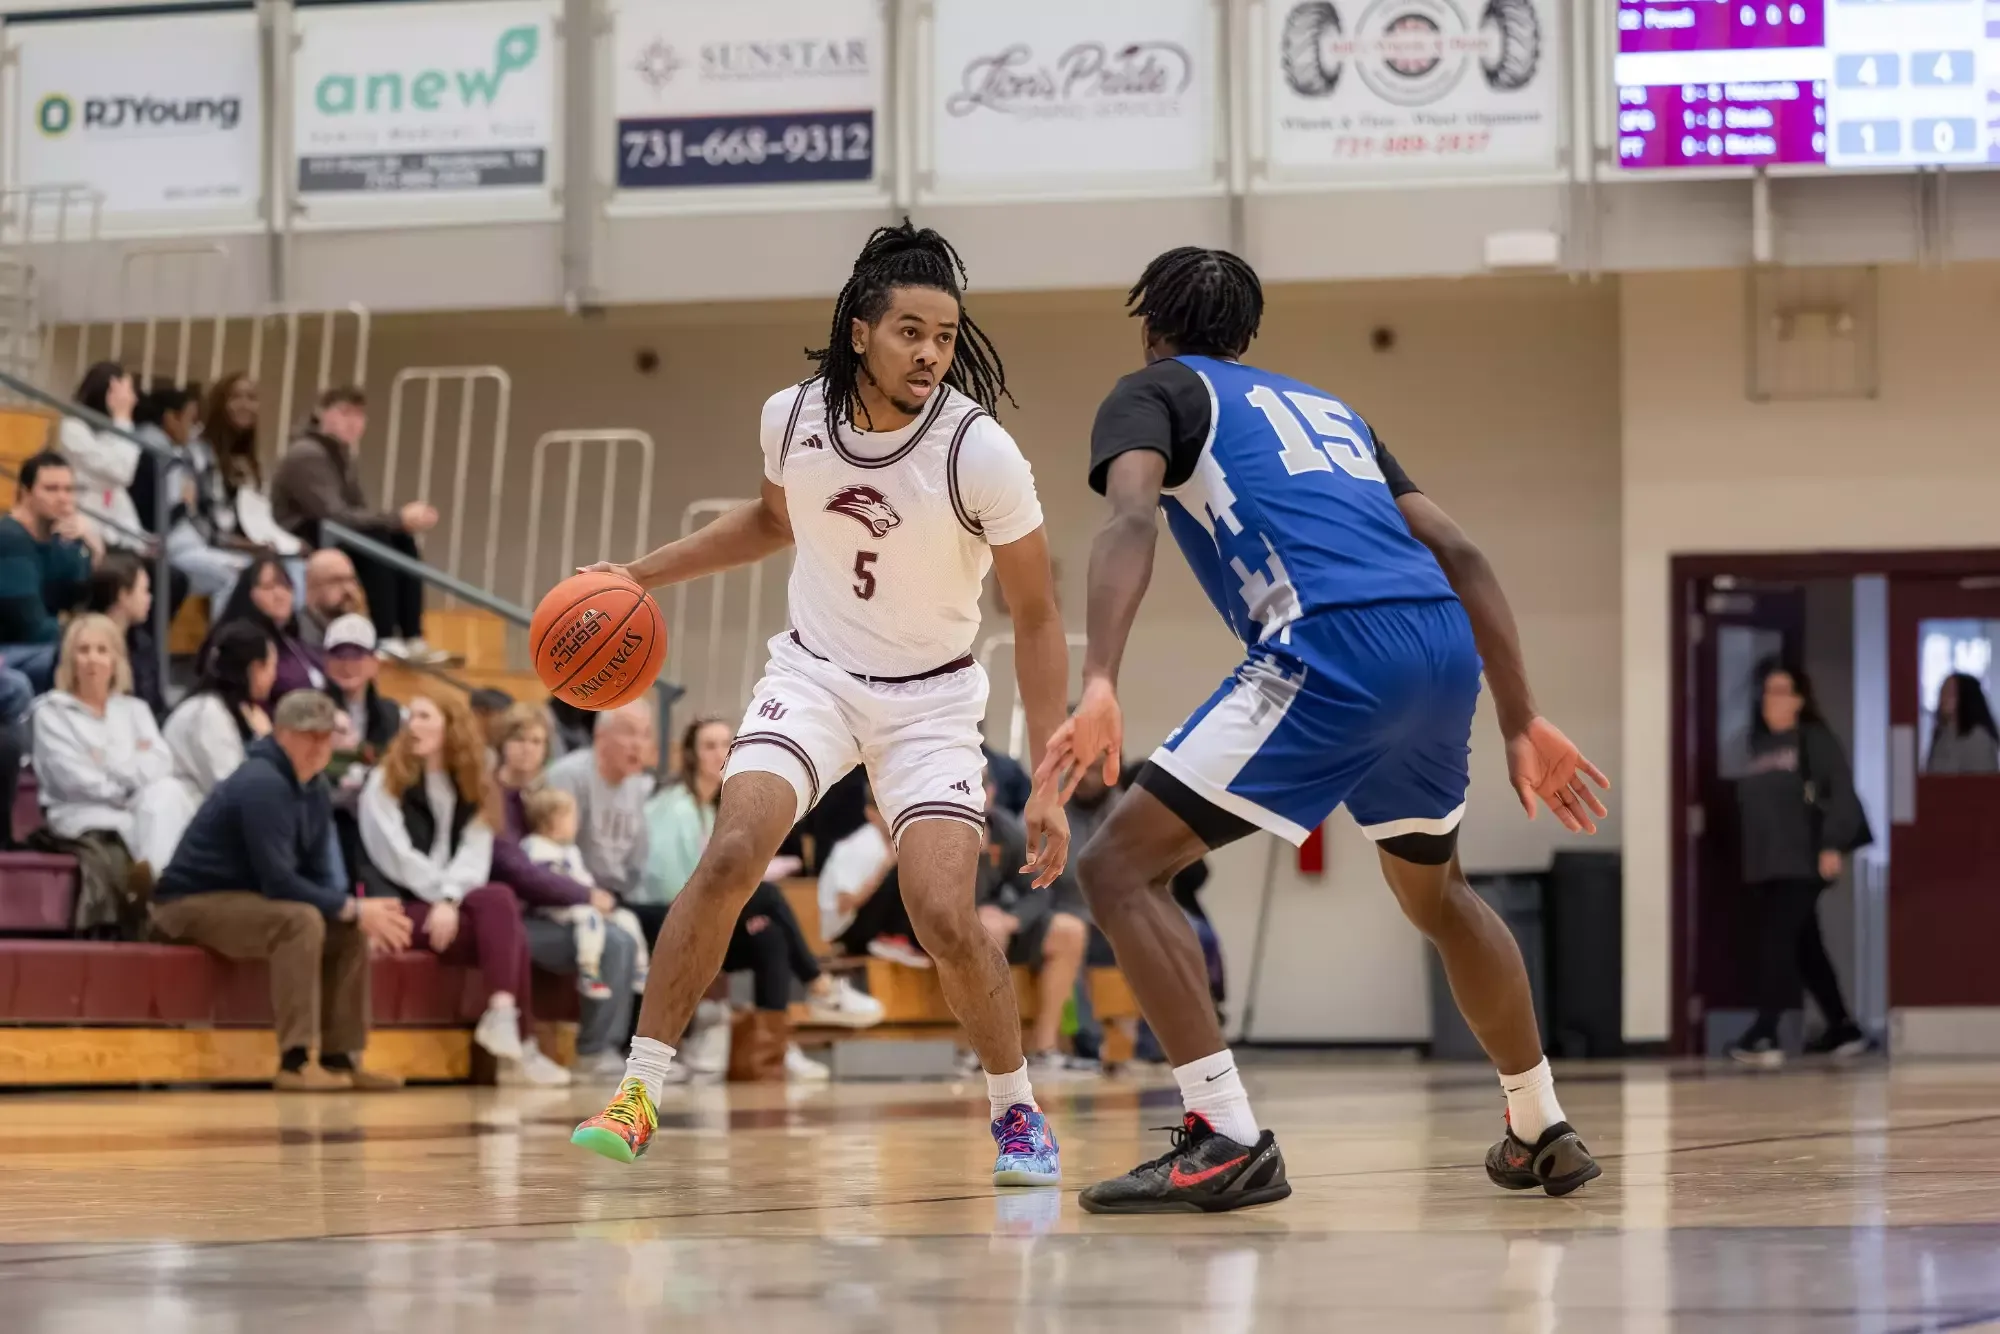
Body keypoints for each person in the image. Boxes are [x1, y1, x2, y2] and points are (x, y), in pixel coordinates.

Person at [1041, 247, 1612, 1214]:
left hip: (1330, 646)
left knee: (1116, 867)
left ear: (1151, 325)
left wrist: (1098, 676)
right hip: (1439, 646)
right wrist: (1521, 716)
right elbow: (1463, 551)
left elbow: (1130, 520)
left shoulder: (1154, 392)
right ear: (1250, 337)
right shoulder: (1332, 409)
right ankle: (1538, 1124)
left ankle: (1221, 1134)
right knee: (1441, 898)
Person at [570, 222, 1072, 1188]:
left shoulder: (980, 451)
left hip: (932, 705)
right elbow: (769, 522)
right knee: (730, 852)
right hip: (814, 678)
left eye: (946, 335)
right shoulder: (792, 418)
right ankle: (637, 1092)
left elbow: (1041, 617)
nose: (932, 352)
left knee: (942, 914)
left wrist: (1047, 775)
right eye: (911, 331)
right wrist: (634, 576)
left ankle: (1016, 1110)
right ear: (859, 332)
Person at [151, 690, 412, 1091]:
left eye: (326, 737)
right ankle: (294, 1062)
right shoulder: (263, 783)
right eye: (309, 736)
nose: (319, 747)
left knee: (347, 931)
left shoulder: (312, 787)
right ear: (281, 734)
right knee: (301, 921)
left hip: (246, 901)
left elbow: (316, 876)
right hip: (186, 904)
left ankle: (341, 1057)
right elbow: (280, 881)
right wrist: (353, 907)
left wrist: (351, 913)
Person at [635, 716, 886, 1077]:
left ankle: (775, 1049)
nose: (721, 754)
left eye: (727, 744)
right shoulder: (674, 807)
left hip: (700, 913)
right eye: (709, 746)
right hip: (659, 914)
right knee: (765, 896)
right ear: (689, 756)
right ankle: (819, 985)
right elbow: (672, 886)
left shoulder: (715, 808)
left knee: (768, 933)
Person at [358, 689, 568, 1086]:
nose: (412, 725)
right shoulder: (384, 780)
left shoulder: (472, 781)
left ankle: (503, 1016)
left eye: (424, 716)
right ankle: (519, 1049)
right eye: (410, 717)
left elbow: (475, 852)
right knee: (508, 931)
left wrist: (452, 900)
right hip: (399, 904)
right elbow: (394, 856)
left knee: (500, 899)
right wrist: (443, 899)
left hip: (447, 906)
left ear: (450, 727)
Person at [488, 703, 643, 1075]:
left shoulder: (538, 795)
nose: (528, 748)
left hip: (548, 912)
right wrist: (584, 895)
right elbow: (516, 868)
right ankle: (593, 1049)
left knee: (622, 933)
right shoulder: (491, 794)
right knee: (615, 942)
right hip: (508, 917)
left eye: (537, 741)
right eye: (519, 739)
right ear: (502, 745)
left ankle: (607, 1047)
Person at [1729, 661, 1870, 1066]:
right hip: (1767, 864)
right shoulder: (1754, 746)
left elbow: (1840, 794)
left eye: (1782, 691)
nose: (1773, 699)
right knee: (1808, 947)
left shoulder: (1813, 740)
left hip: (1803, 862)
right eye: (1768, 691)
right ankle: (1843, 1026)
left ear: (1799, 699)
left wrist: (1832, 845)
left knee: (1775, 940)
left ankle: (1766, 1032)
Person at [270, 385, 447, 664]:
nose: (352, 422)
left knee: (398, 537)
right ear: (322, 414)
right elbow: (334, 514)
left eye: (359, 415)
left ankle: (412, 635)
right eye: (344, 412)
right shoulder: (307, 453)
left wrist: (397, 523)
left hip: (331, 531)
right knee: (376, 538)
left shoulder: (341, 456)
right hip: (306, 536)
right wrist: (396, 517)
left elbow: (358, 512)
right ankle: (386, 635)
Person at [32, 612, 197, 875]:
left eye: (102, 650)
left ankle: (155, 891)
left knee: (169, 791)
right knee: (156, 818)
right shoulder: (50, 712)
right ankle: (160, 895)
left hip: (136, 807)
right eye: (83, 650)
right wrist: (132, 767)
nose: (93, 659)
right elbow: (73, 779)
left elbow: (161, 764)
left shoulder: (135, 709)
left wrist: (105, 761)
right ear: (70, 659)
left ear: (115, 660)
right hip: (82, 814)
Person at [975, 778, 1088, 1075]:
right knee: (987, 928)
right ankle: (986, 1052)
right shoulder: (935, 827)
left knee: (1069, 931)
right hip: (939, 928)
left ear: (991, 792)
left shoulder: (1004, 830)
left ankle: (1044, 1049)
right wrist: (974, 914)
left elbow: (1038, 890)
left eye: (982, 786)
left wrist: (1013, 919)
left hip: (997, 926)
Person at [521, 785, 650, 1001]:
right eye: (570, 817)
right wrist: (587, 898)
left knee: (627, 919)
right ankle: (589, 971)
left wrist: (599, 897)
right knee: (588, 918)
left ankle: (640, 970)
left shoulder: (571, 850)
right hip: (553, 908)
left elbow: (583, 880)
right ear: (551, 821)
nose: (576, 823)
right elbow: (545, 883)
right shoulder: (534, 846)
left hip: (583, 901)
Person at [133, 381, 253, 601]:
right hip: (171, 549)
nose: (193, 429)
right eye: (190, 420)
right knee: (236, 576)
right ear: (171, 419)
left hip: (190, 543)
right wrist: (184, 505)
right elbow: (155, 523)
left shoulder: (174, 455)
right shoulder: (157, 456)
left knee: (254, 571)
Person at [0, 450, 100, 695]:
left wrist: (94, 545)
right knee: (82, 658)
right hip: (9, 652)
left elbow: (81, 596)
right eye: (51, 489)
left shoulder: (58, 537)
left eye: (68, 490)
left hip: (38, 648)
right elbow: (32, 628)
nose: (63, 498)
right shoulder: (10, 539)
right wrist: (89, 633)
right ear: (25, 493)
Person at [200, 372, 308, 575]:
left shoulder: (250, 462)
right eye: (236, 397)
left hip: (255, 548)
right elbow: (201, 523)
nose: (245, 404)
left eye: (251, 398)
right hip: (219, 550)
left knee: (303, 567)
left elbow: (260, 518)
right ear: (219, 404)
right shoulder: (201, 453)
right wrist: (244, 545)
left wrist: (289, 543)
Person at [163, 620, 277, 798]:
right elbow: (232, 788)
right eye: (272, 667)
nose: (274, 676)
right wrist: (265, 742)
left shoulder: (236, 709)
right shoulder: (207, 714)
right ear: (255, 669)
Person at [815, 784, 926, 967]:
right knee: (903, 868)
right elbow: (845, 904)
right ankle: (891, 937)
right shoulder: (860, 845)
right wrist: (885, 867)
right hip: (847, 931)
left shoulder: (891, 842)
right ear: (871, 813)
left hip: (865, 922)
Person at [205, 555, 326, 704]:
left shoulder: (294, 641)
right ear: (249, 594)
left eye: (285, 585)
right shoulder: (240, 646)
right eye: (269, 587)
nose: (280, 594)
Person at [59, 362, 148, 552]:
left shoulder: (112, 428)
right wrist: (123, 417)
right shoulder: (72, 428)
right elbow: (122, 472)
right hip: (85, 528)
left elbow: (117, 483)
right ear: (109, 393)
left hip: (114, 531)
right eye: (127, 391)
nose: (133, 399)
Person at [85, 551, 166, 718]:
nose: (149, 598)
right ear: (123, 595)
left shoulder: (143, 644)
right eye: (144, 591)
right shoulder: (82, 643)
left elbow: (156, 707)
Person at [1927, 672, 2000, 774]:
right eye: (1942, 692)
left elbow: (1981, 784)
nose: (1943, 698)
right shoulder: (1942, 736)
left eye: (1949, 692)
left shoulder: (1978, 738)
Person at [297, 549, 365, 649]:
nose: (348, 589)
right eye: (336, 581)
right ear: (311, 588)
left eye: (351, 579)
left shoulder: (358, 627)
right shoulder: (301, 639)